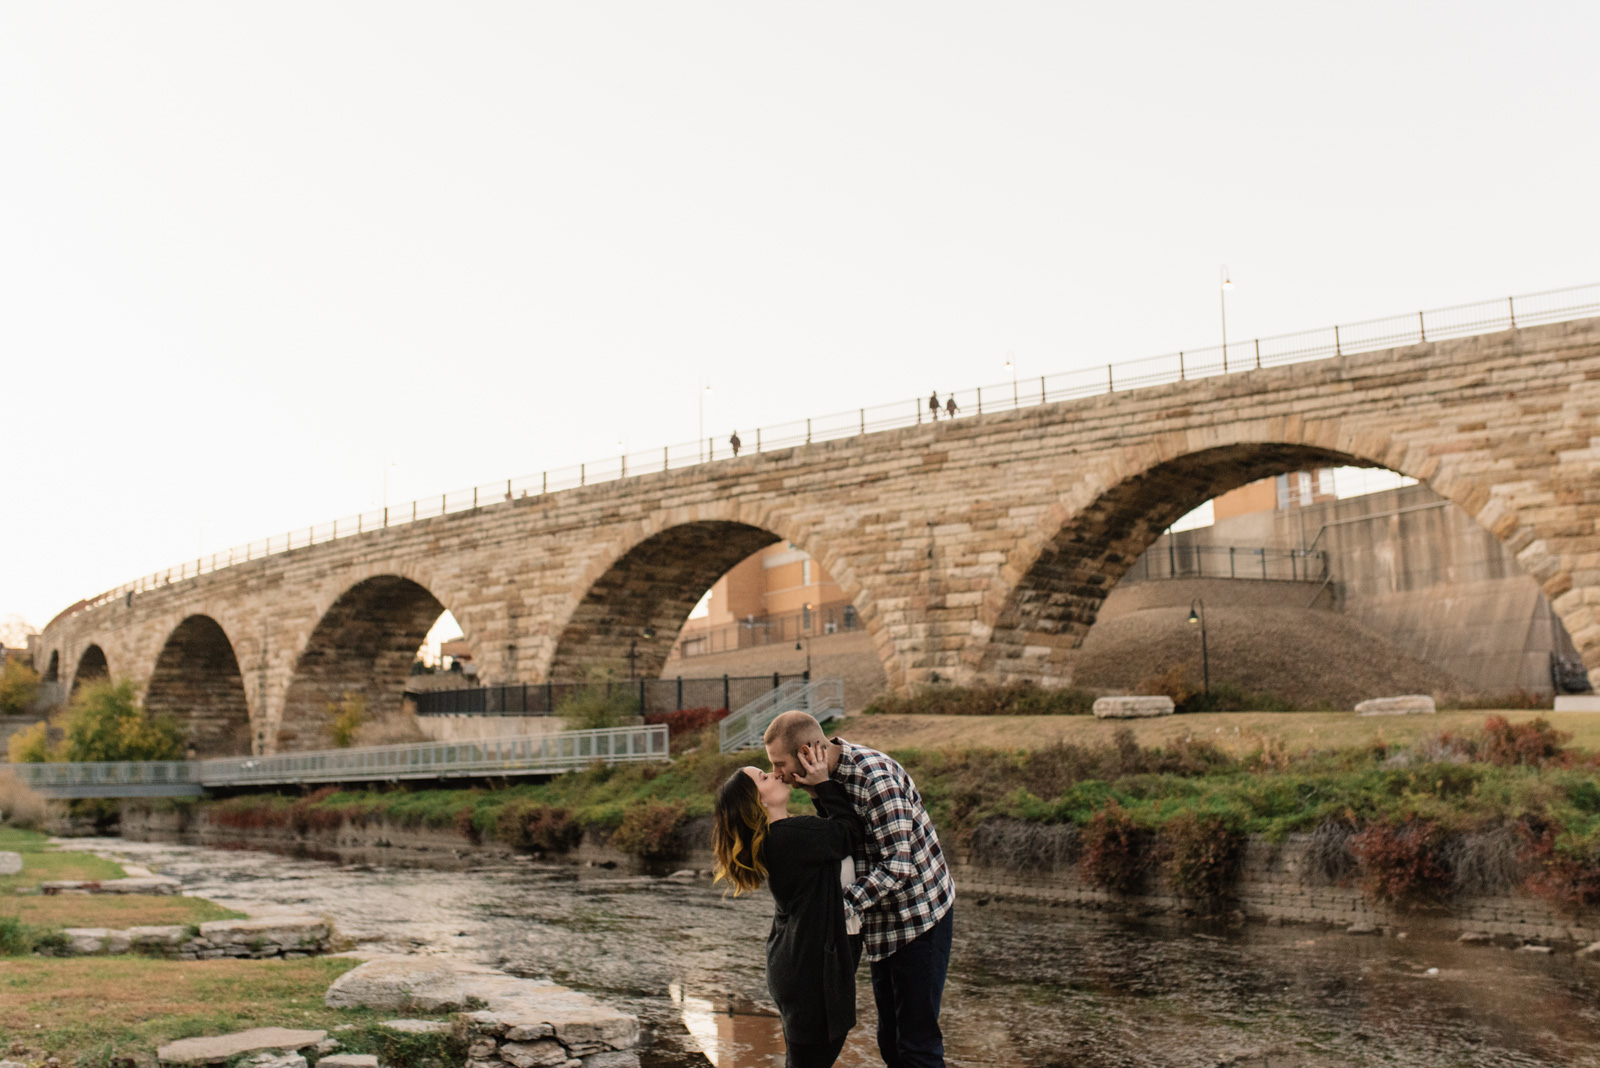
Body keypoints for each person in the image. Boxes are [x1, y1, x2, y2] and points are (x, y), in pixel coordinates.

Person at [765, 711, 955, 1068]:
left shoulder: (874, 778)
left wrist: (834, 910)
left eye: (779, 763)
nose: (776, 773)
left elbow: (898, 867)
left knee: (916, 1044)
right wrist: (818, 789)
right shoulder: (826, 779)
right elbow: (841, 841)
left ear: (807, 751)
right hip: (881, 920)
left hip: (919, 916)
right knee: (890, 1041)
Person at [714, 743, 865, 1068]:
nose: (776, 774)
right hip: (810, 976)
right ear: (760, 800)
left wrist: (816, 792)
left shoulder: (785, 835)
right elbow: (850, 833)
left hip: (799, 969)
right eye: (765, 776)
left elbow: (831, 838)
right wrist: (822, 782)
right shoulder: (789, 835)